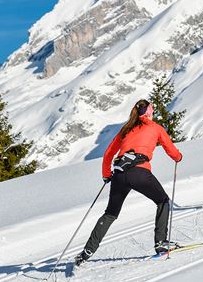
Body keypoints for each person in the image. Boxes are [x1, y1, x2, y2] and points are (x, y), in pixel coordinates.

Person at [75, 99, 182, 265]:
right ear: (147, 112)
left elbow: (109, 153)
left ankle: (87, 251)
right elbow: (171, 150)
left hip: (119, 174)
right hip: (139, 172)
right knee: (163, 201)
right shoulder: (155, 128)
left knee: (110, 213)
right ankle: (160, 243)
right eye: (152, 110)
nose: (153, 112)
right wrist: (178, 157)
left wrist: (106, 175)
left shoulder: (126, 129)